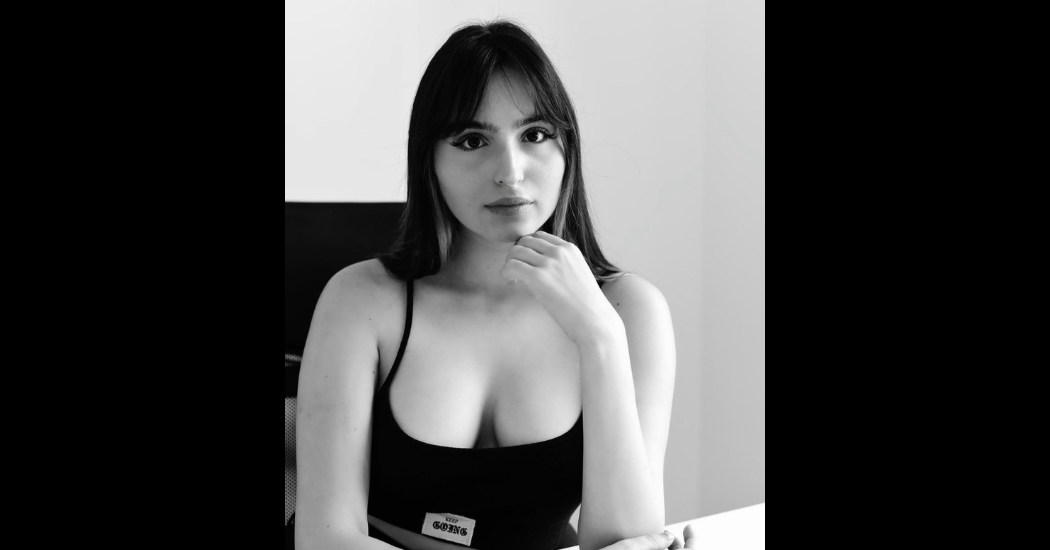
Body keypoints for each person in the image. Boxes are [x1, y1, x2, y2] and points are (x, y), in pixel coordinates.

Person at [295, 20, 677, 550]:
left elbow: (626, 540)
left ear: (567, 148)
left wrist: (600, 337)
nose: (511, 172)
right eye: (473, 140)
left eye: (535, 135)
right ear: (428, 160)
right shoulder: (361, 301)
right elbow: (325, 538)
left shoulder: (628, 311)